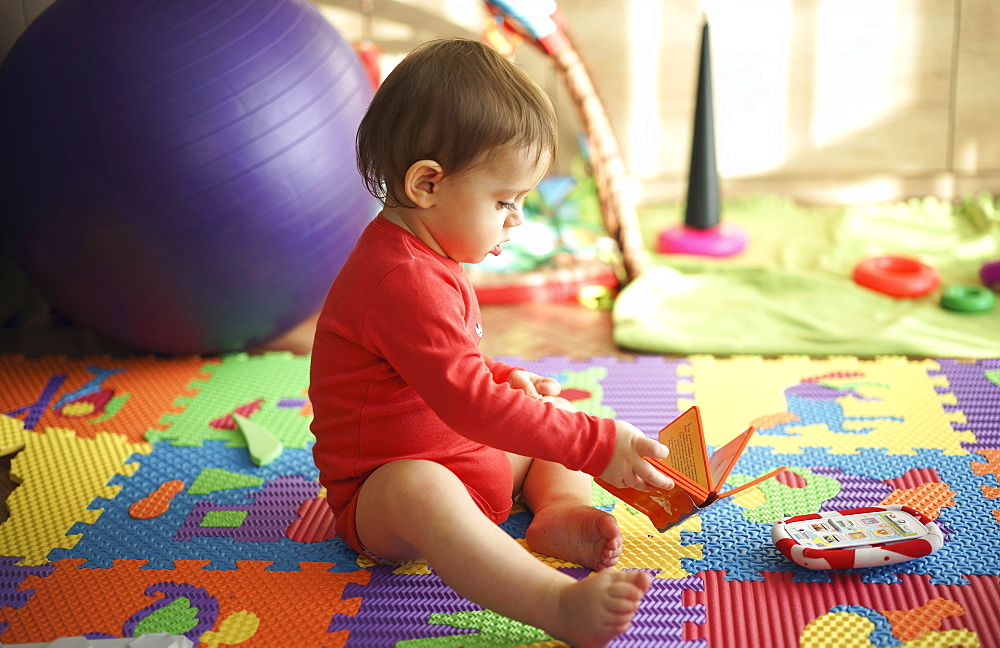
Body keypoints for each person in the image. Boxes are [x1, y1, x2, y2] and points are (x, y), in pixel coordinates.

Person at [309, 38, 674, 648]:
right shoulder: (398, 277)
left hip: (464, 452)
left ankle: (553, 515)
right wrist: (596, 446)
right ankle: (555, 605)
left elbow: (445, 371)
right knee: (424, 487)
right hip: (383, 496)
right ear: (427, 184)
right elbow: (467, 401)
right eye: (505, 200)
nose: (518, 220)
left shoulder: (430, 252)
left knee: (545, 413)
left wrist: (504, 381)